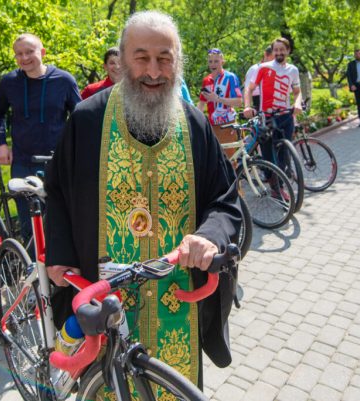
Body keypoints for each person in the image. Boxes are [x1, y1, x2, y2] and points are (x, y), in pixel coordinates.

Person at [44, 11, 242, 395]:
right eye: (142, 57)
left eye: (164, 58)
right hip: (103, 294)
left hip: (177, 300)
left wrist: (209, 237)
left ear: (177, 61)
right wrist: (61, 253)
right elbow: (57, 190)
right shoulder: (87, 120)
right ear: (122, 58)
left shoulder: (195, 124)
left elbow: (225, 199)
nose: (154, 70)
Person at [0, 33, 81, 243]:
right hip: (23, 162)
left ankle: (61, 270)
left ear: (42, 52)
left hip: (57, 161)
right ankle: (34, 271)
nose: (24, 58)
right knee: (30, 223)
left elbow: (79, 117)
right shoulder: (9, 82)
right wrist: (2, 144)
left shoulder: (64, 80)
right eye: (19, 54)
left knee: (62, 219)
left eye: (29, 52)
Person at [243, 37, 302, 197]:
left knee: (284, 153)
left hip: (285, 117)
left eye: (282, 50)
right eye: (276, 50)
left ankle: (279, 187)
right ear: (273, 51)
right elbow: (249, 89)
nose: (279, 52)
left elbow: (297, 92)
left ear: (288, 51)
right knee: (269, 154)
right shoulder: (263, 68)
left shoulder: (293, 70)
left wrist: (297, 104)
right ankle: (274, 185)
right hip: (267, 117)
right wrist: (247, 106)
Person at [197, 48, 243, 125]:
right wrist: (196, 120)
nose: (213, 64)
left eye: (216, 61)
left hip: (229, 123)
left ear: (222, 62)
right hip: (212, 125)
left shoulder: (230, 77)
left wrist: (218, 99)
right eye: (210, 61)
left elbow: (239, 102)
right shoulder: (206, 80)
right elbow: (201, 103)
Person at [244, 46, 274, 110]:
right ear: (266, 55)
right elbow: (247, 89)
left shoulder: (276, 70)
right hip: (258, 102)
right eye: (273, 58)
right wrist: (247, 107)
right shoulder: (254, 69)